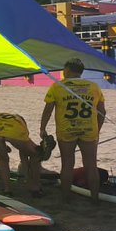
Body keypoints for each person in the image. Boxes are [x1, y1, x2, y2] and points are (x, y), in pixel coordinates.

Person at [41, 58, 106, 200]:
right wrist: (97, 130)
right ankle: (95, 198)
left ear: (68, 70)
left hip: (67, 130)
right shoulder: (94, 86)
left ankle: (65, 198)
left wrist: (42, 128)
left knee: (67, 164)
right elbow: (102, 112)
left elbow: (48, 110)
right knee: (91, 164)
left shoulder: (58, 86)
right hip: (89, 130)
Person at [0, 113, 44, 196]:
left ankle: (7, 190)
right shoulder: (20, 124)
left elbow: (1, 135)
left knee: (3, 160)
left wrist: (4, 147)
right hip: (13, 131)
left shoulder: (0, 116)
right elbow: (27, 150)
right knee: (36, 155)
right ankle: (35, 187)